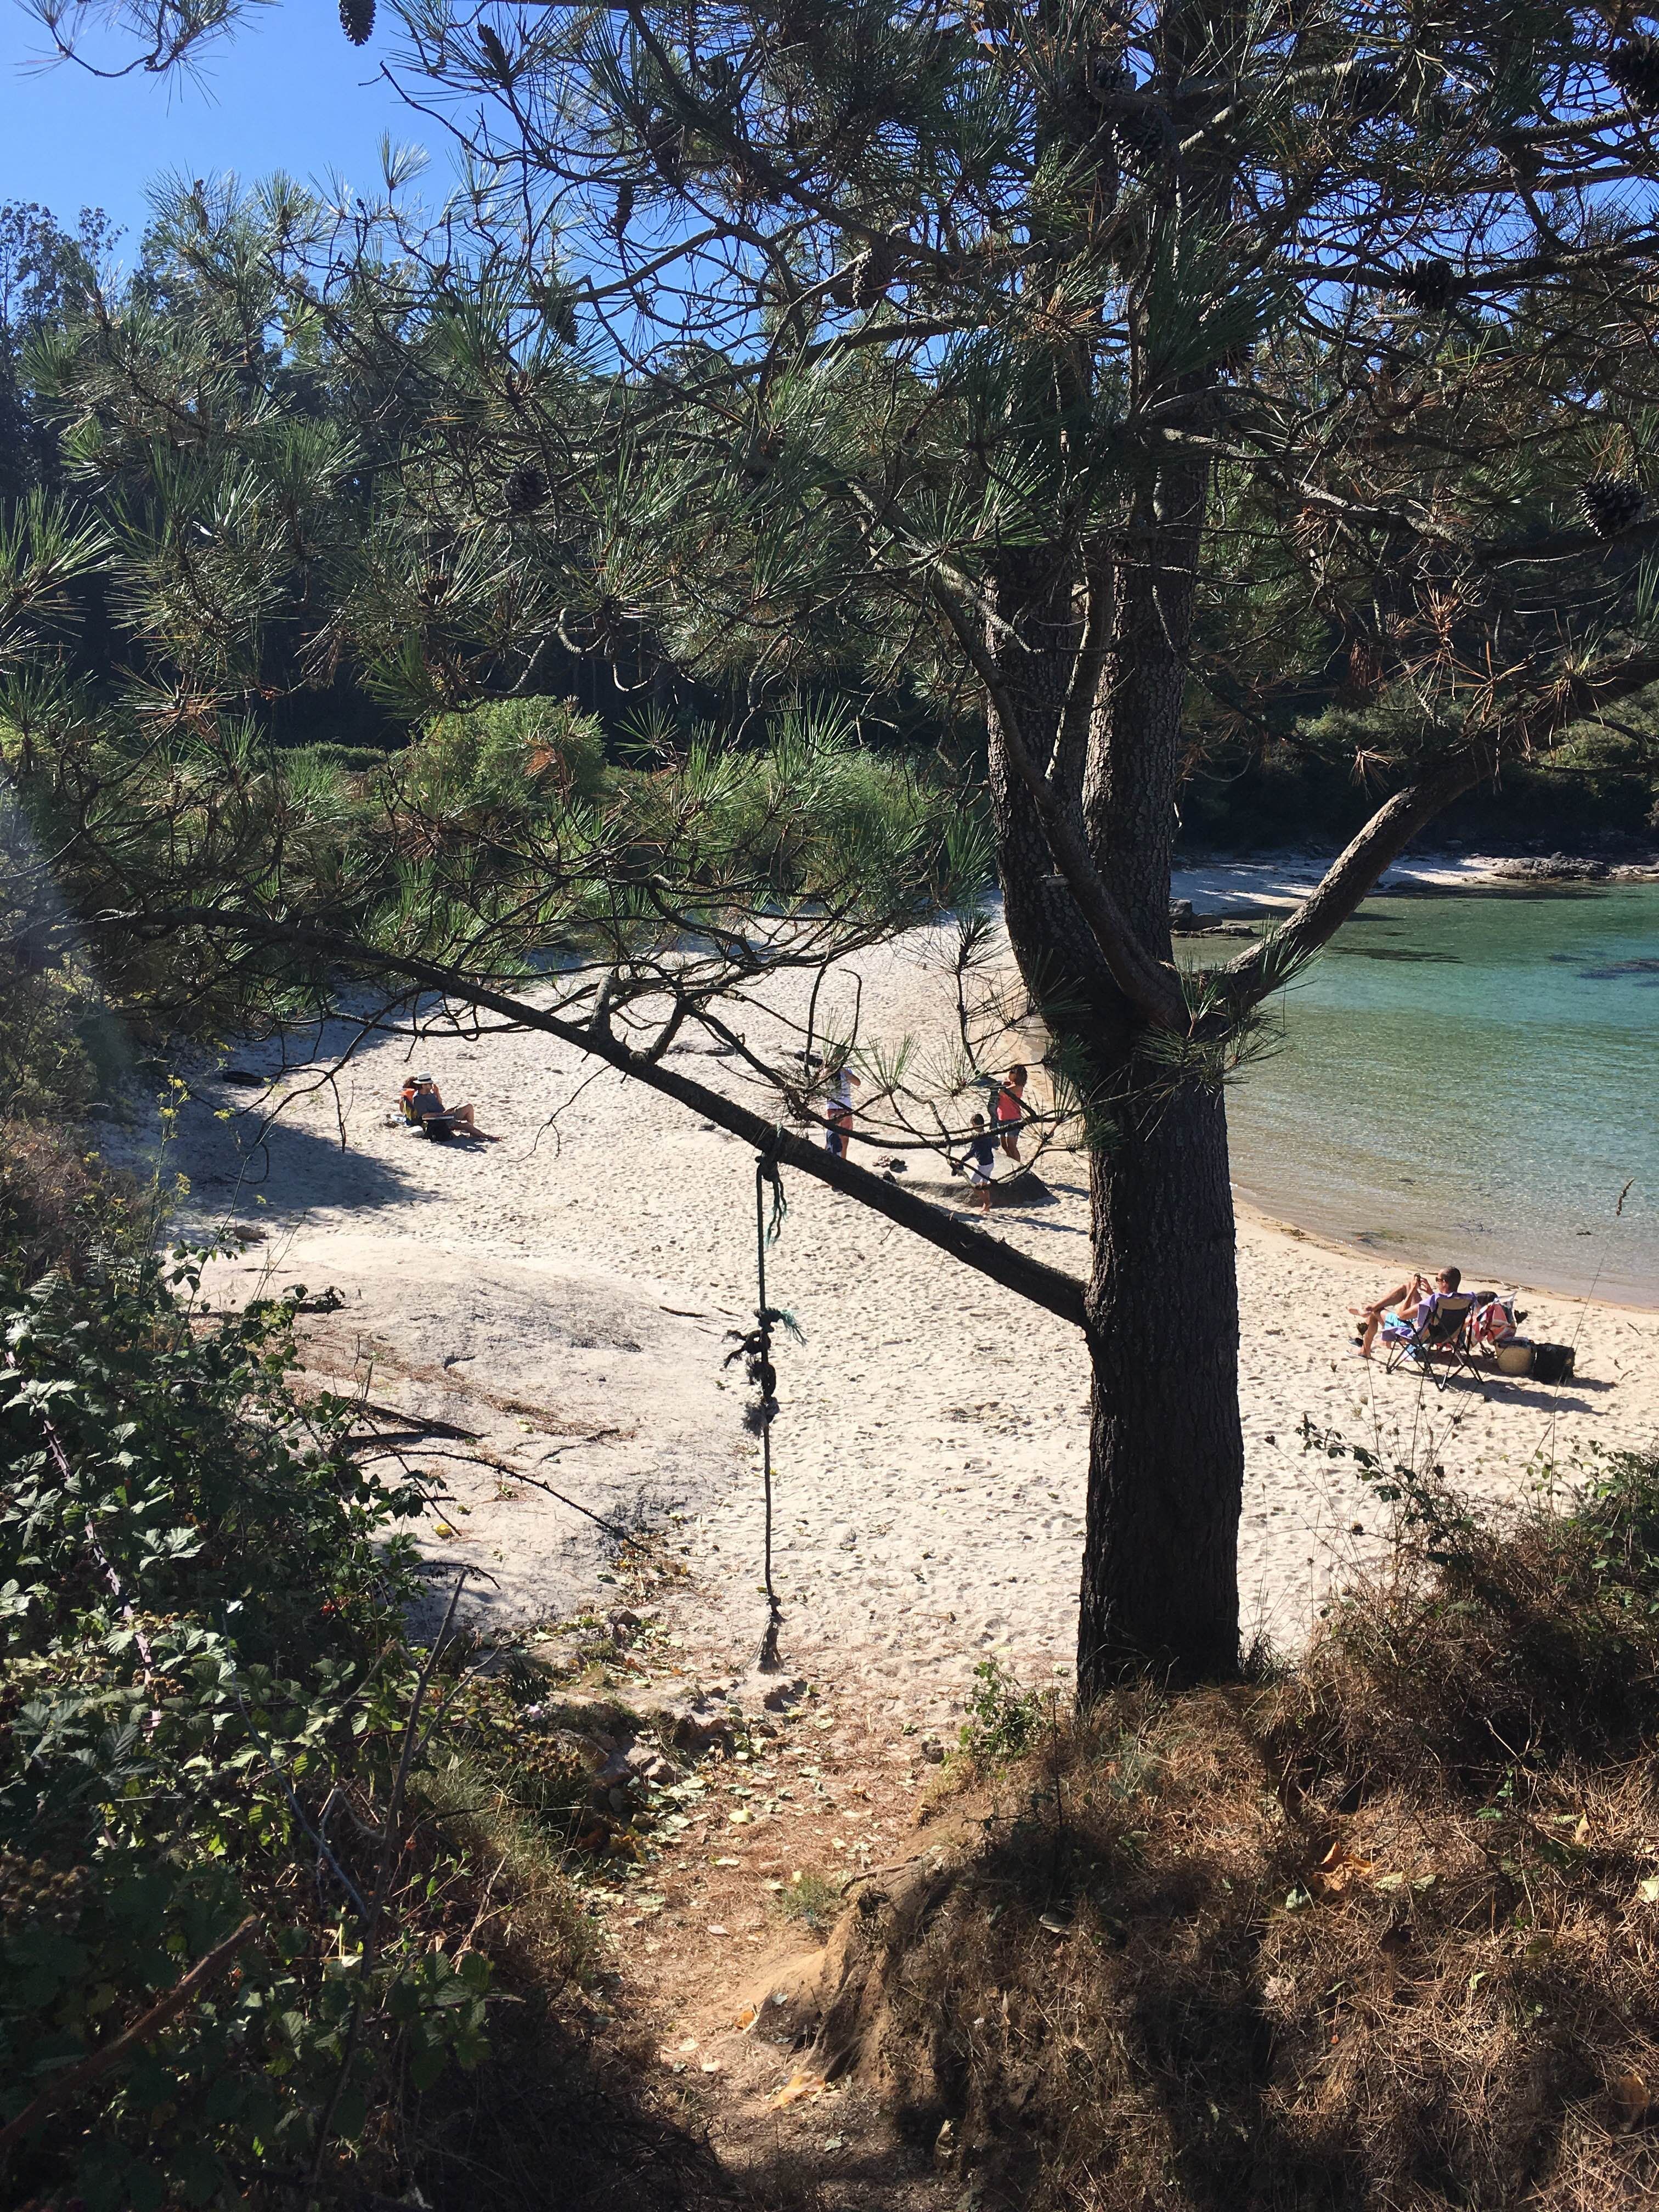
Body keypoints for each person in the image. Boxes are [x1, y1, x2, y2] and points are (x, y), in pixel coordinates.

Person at [404, 1073, 497, 1140]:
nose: (432, 1085)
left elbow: (440, 1104)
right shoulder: (418, 1098)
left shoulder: (429, 1093)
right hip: (439, 1121)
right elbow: (425, 1116)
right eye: (429, 1084)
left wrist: (437, 1093)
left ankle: (474, 1133)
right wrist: (443, 1114)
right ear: (423, 1086)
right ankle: (488, 1137)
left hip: (445, 1115)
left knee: (469, 1107)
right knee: (466, 1125)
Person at [958, 1113, 998, 1213]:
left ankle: (987, 1202)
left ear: (976, 1125)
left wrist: (963, 1160)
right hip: (991, 1163)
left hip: (984, 1165)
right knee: (984, 1185)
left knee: (973, 1184)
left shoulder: (977, 1139)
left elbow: (971, 1153)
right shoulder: (988, 1135)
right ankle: (987, 1207)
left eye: (973, 1125)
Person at [825, 1065, 860, 1158]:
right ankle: (827, 1159)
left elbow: (857, 1083)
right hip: (833, 1108)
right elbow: (821, 1081)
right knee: (833, 1136)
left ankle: (843, 1162)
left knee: (845, 1139)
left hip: (846, 1108)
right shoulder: (827, 1070)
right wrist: (829, 1070)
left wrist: (844, 1071)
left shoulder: (847, 1070)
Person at [995, 1064, 1028, 1161]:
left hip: (1013, 1119)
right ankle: (1012, 1162)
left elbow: (1002, 1092)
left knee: (1012, 1146)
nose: (1010, 1073)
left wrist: (1002, 1085)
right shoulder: (1009, 1084)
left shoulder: (1018, 1087)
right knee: (1004, 1145)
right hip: (1002, 1117)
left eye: (1013, 1072)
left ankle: (1018, 1165)